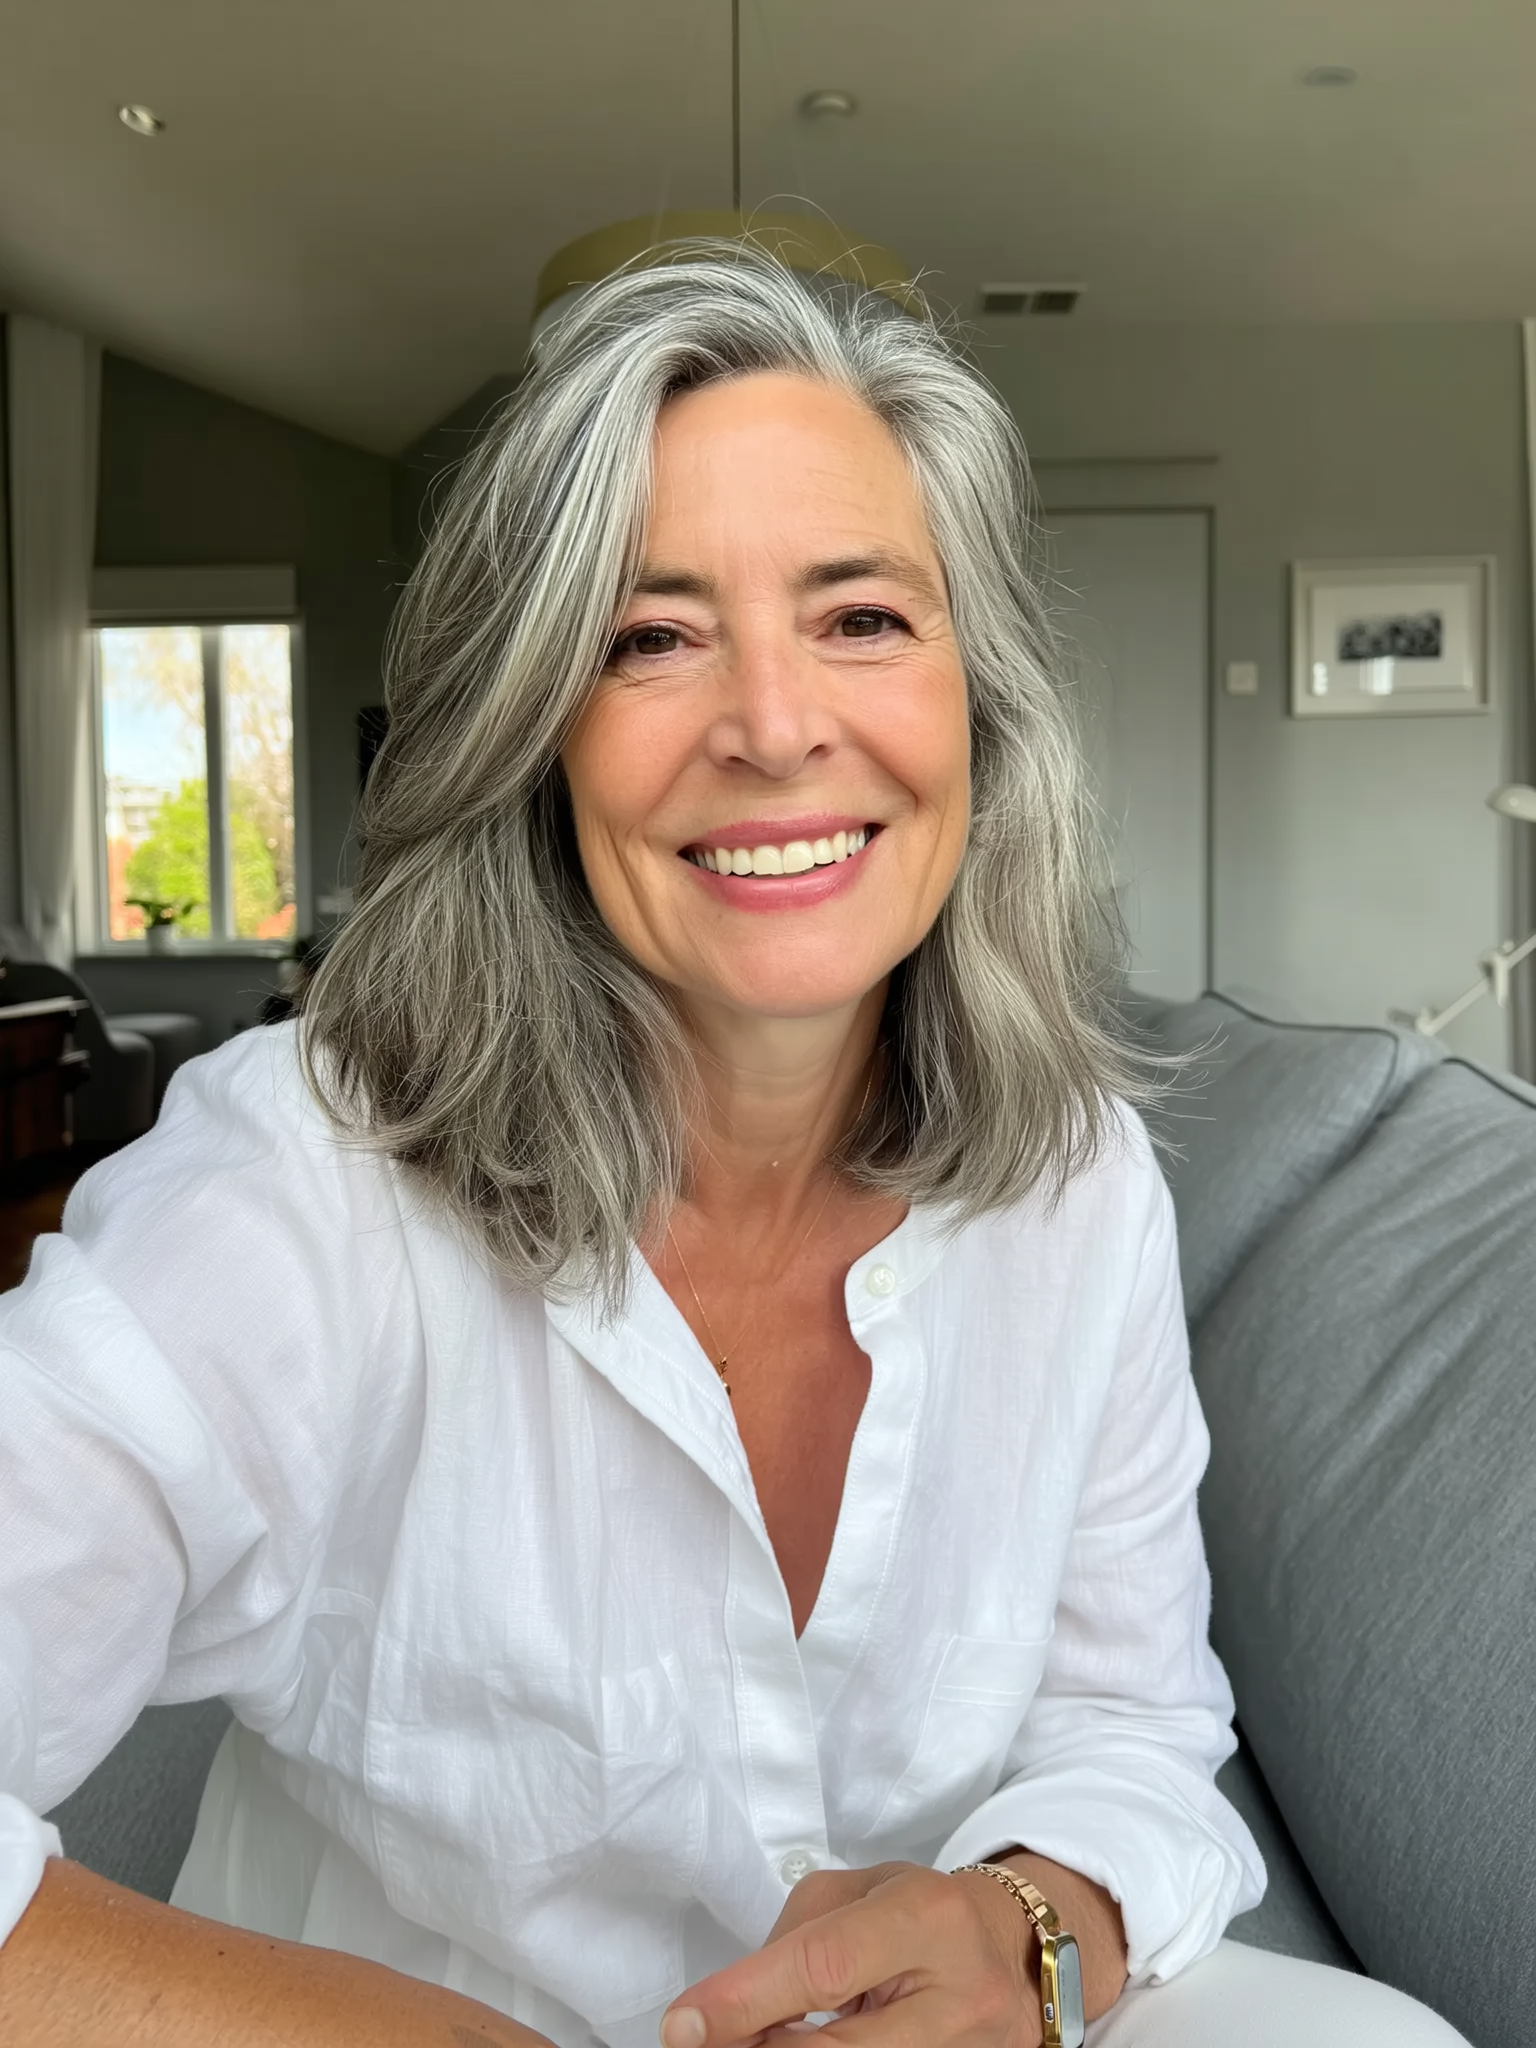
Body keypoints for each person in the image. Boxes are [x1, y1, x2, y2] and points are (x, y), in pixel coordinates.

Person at [0, 248, 1467, 2048]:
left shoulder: (1073, 1176)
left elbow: (1134, 1726)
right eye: (650, 636)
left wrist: (1030, 1933)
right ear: (530, 734)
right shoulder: (299, 1184)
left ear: (979, 709)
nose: (775, 727)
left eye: (862, 618)